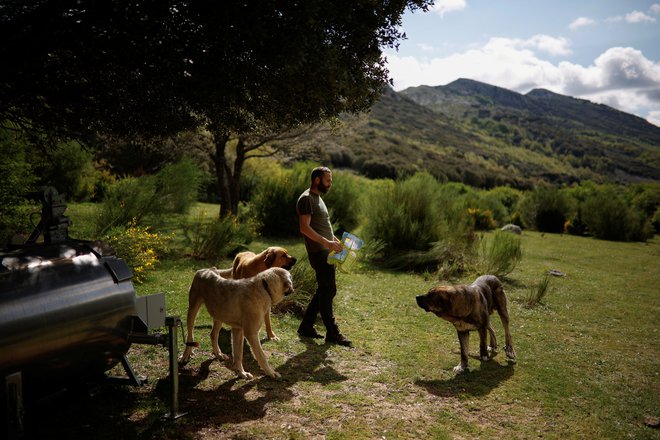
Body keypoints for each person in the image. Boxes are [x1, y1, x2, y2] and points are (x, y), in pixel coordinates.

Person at [296, 166, 352, 347]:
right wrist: (328, 244)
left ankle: (306, 326)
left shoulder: (318, 198)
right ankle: (333, 332)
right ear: (317, 180)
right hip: (318, 252)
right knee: (327, 290)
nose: (330, 184)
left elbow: (323, 226)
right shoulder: (306, 199)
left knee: (326, 290)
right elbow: (304, 228)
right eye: (328, 180)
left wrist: (336, 241)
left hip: (326, 250)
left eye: (331, 181)